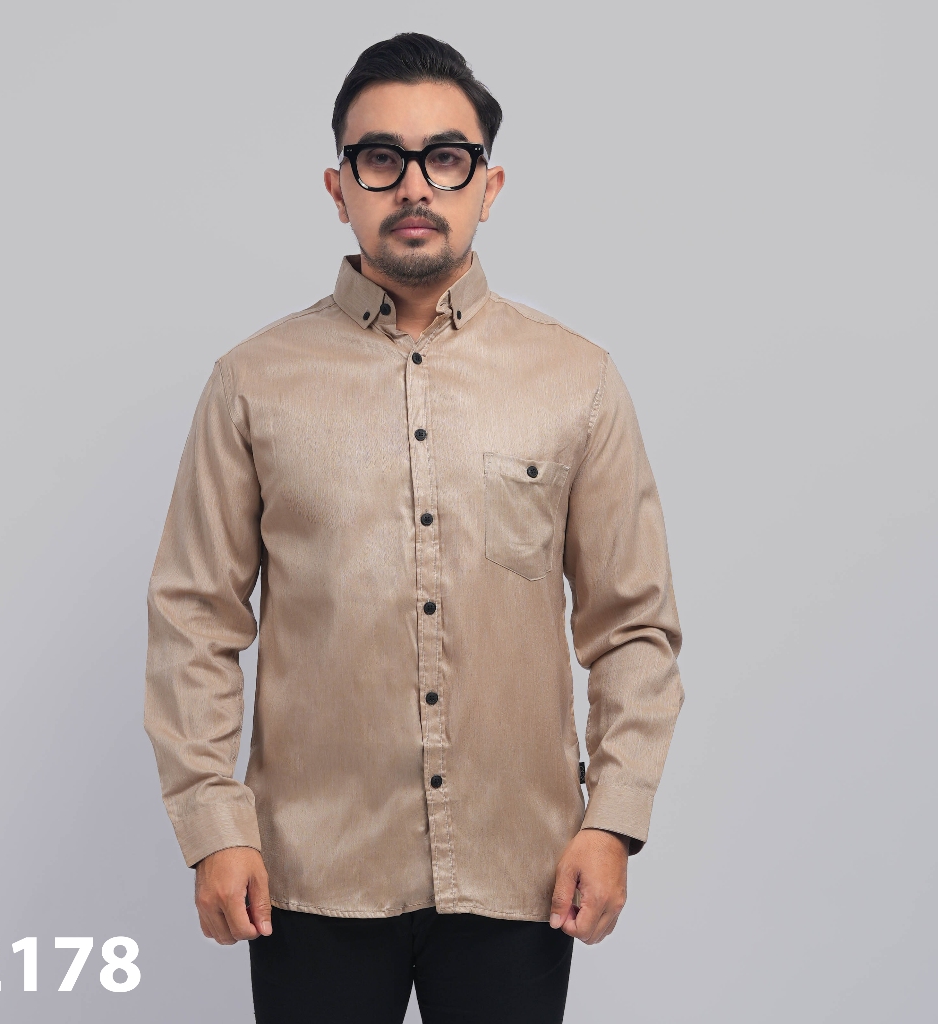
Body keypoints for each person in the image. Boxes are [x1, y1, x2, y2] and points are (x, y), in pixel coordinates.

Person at [143, 31, 684, 1024]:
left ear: (489, 183)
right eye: (380, 158)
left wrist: (613, 821)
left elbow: (633, 627)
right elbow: (194, 621)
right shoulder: (252, 383)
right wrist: (214, 824)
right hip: (310, 873)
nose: (414, 185)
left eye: (446, 157)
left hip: (521, 869)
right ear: (337, 186)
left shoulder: (577, 381)